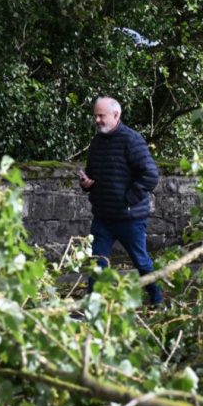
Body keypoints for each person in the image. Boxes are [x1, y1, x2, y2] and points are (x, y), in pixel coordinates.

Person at [78, 96, 164, 306]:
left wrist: (128, 200)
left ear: (116, 115)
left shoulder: (131, 140)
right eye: (95, 116)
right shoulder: (96, 142)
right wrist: (87, 183)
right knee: (97, 264)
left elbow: (151, 175)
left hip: (130, 218)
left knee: (141, 262)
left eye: (102, 115)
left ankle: (158, 300)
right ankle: (92, 306)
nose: (97, 120)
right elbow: (93, 175)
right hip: (103, 217)